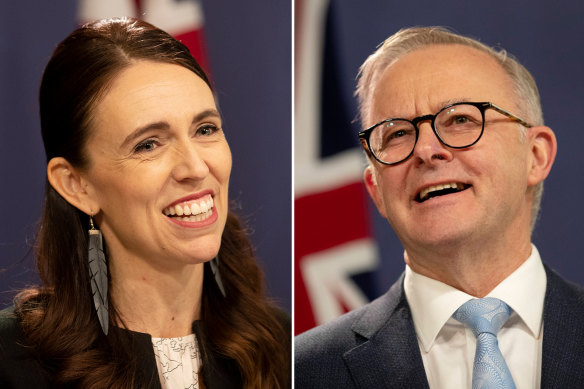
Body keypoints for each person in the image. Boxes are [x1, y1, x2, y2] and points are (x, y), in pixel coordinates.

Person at [0, 18, 290, 389]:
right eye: (148, 144)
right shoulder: (12, 364)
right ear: (75, 185)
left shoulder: (281, 346)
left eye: (205, 129)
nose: (196, 168)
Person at [295, 26, 584, 388]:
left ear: (535, 156)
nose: (426, 150)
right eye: (397, 133)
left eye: (461, 120)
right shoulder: (302, 371)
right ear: (376, 190)